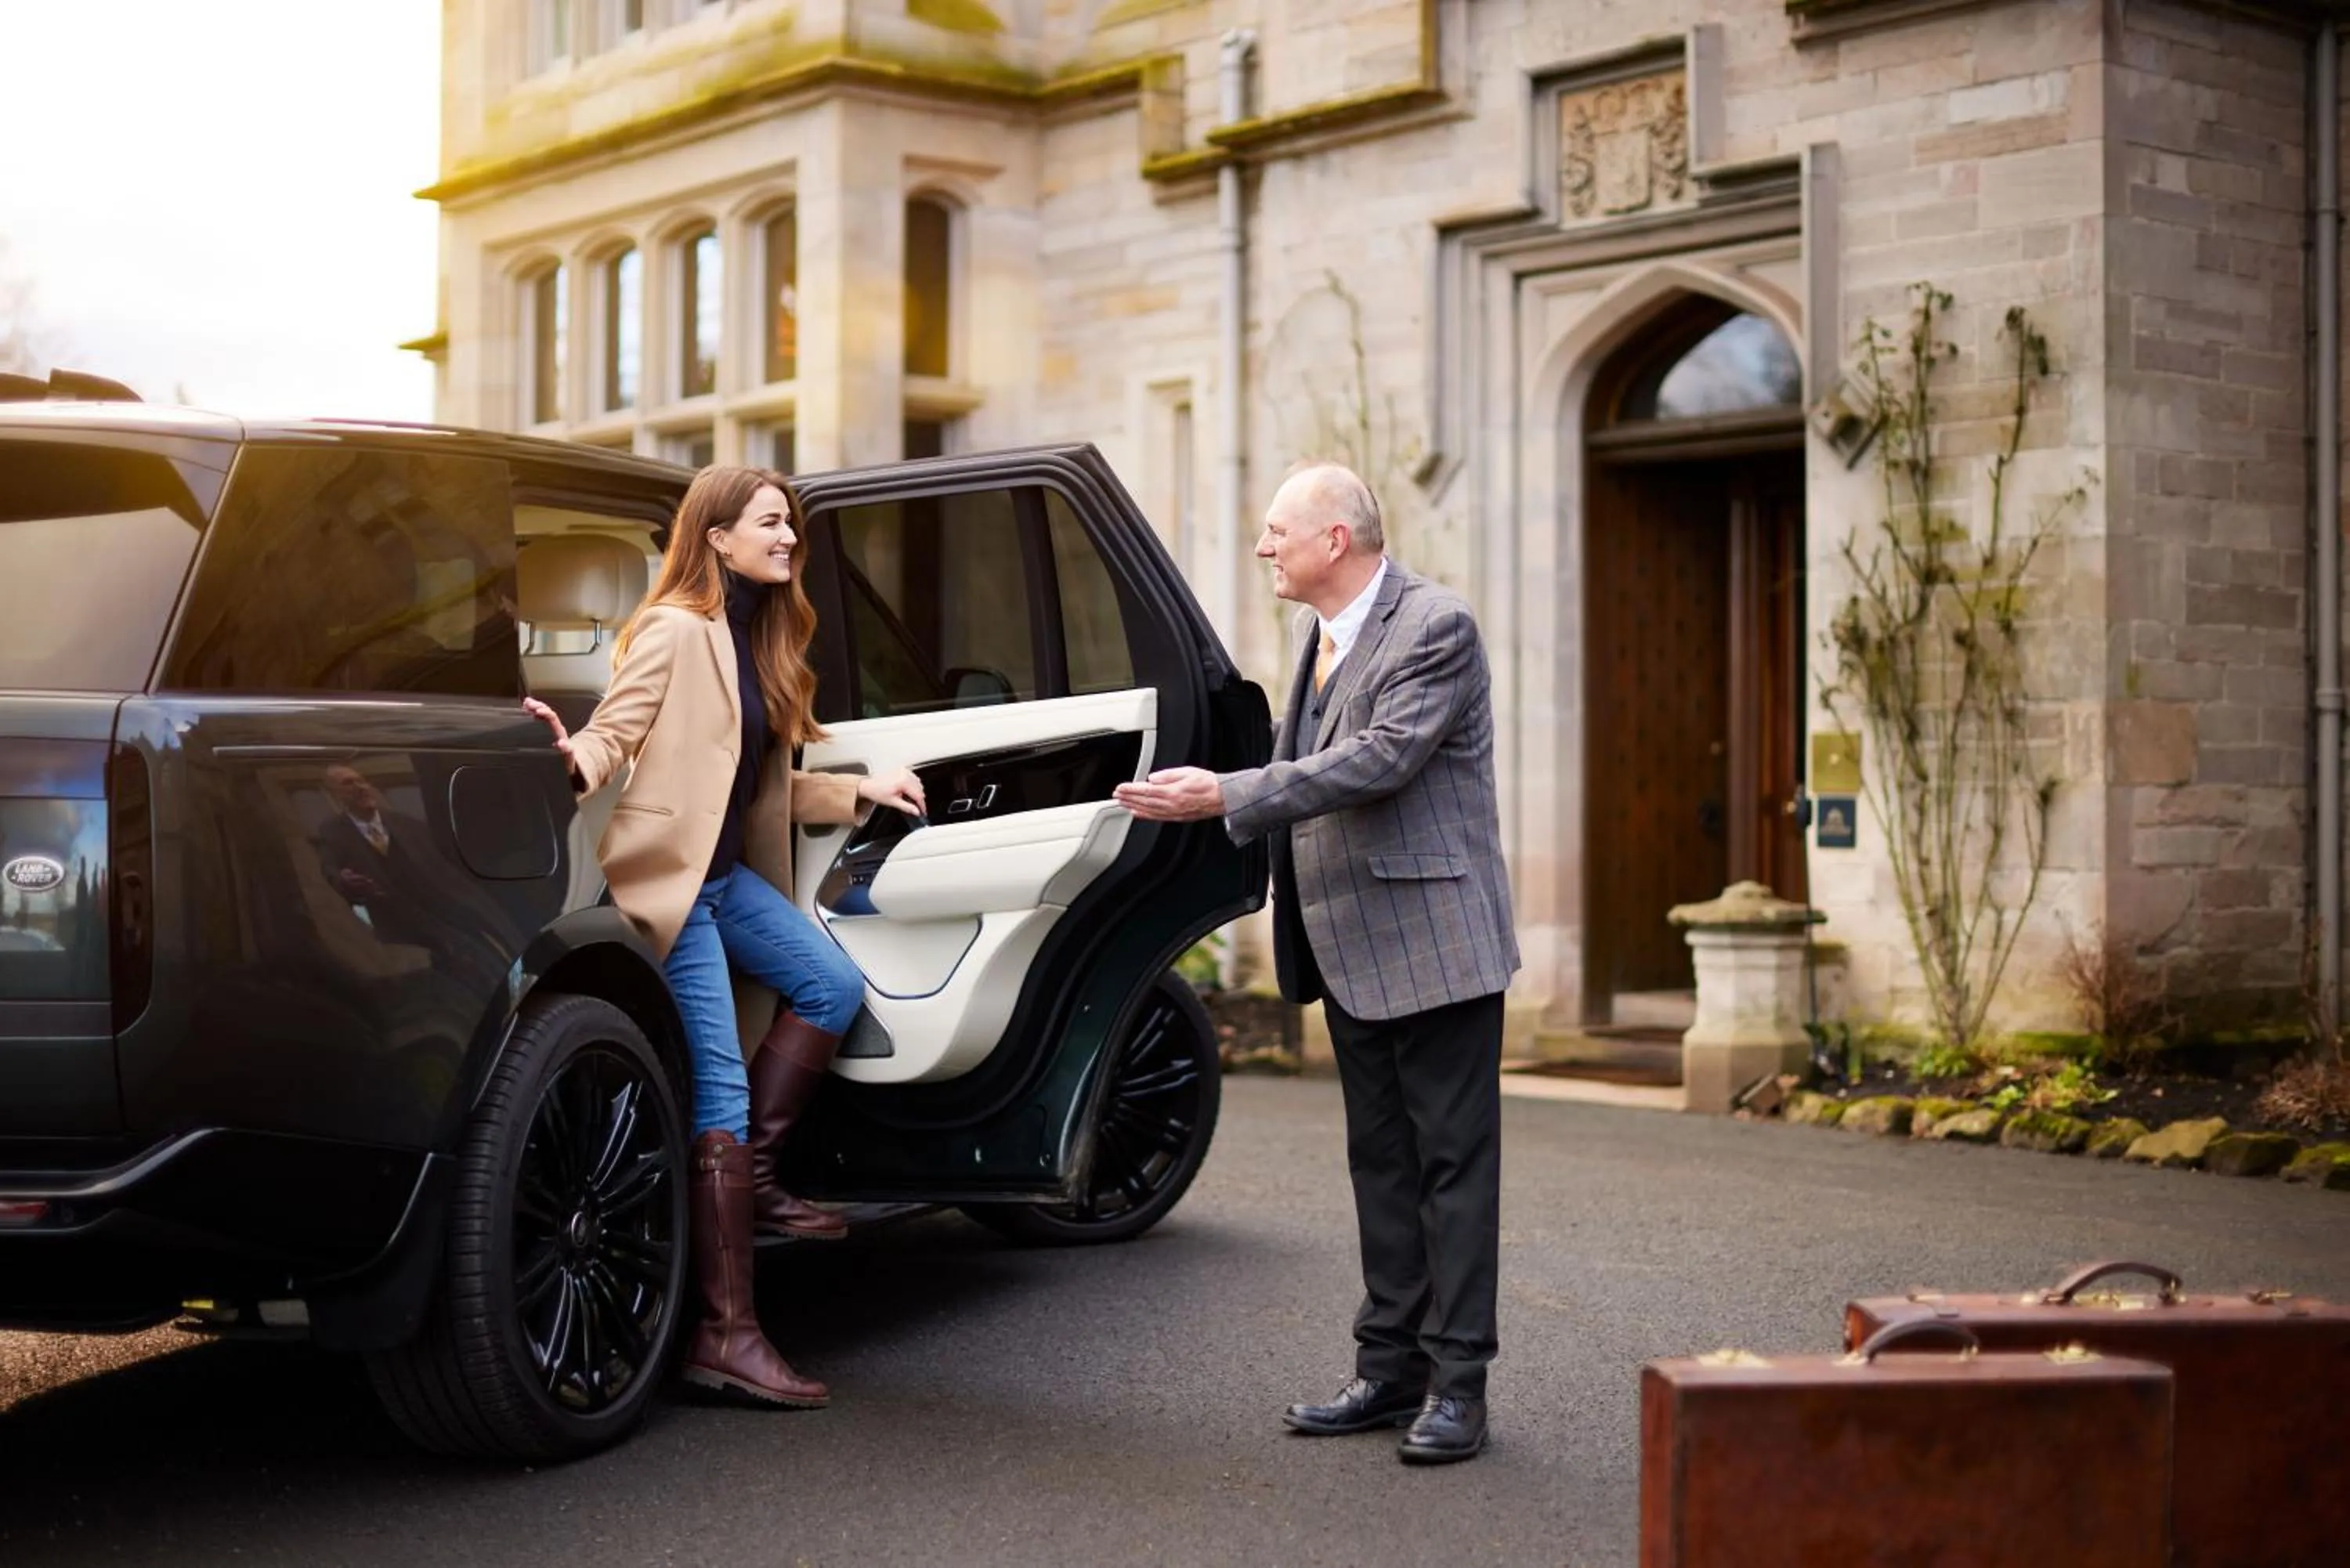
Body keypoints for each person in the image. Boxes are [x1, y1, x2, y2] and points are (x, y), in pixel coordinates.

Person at [1114, 461, 1517, 1465]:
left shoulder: (1436, 626)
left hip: (1437, 944)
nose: (1263, 547)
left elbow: (1379, 759)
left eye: (1276, 531)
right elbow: (1310, 756)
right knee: (1381, 1164)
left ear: (1335, 539)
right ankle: (1389, 1370)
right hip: (1348, 945)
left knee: (1452, 1169)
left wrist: (1227, 794)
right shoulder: (1319, 635)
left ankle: (1458, 1388)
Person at [524, 466, 925, 1411]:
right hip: (673, 887)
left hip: (726, 877)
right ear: (717, 536)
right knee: (722, 1089)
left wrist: (856, 790)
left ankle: (763, 1178)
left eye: (790, 524)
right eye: (771, 522)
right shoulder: (674, 628)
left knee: (831, 984)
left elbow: (751, 782)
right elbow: (615, 734)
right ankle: (726, 1332)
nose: (788, 538)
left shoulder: (757, 635)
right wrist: (566, 759)